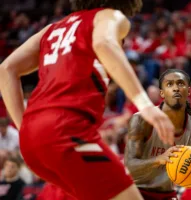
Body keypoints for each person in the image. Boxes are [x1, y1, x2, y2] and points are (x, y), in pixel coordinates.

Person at [0, 1, 176, 199]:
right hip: (66, 131)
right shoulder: (108, 16)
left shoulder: (52, 29)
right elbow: (102, 43)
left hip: (32, 142)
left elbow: (6, 69)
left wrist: (24, 129)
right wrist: (145, 106)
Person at [125, 69, 191, 200]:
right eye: (170, 84)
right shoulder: (142, 120)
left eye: (180, 83)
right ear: (162, 93)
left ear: (189, 91)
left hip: (167, 194)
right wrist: (159, 159)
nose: (176, 88)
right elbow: (129, 167)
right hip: (135, 192)